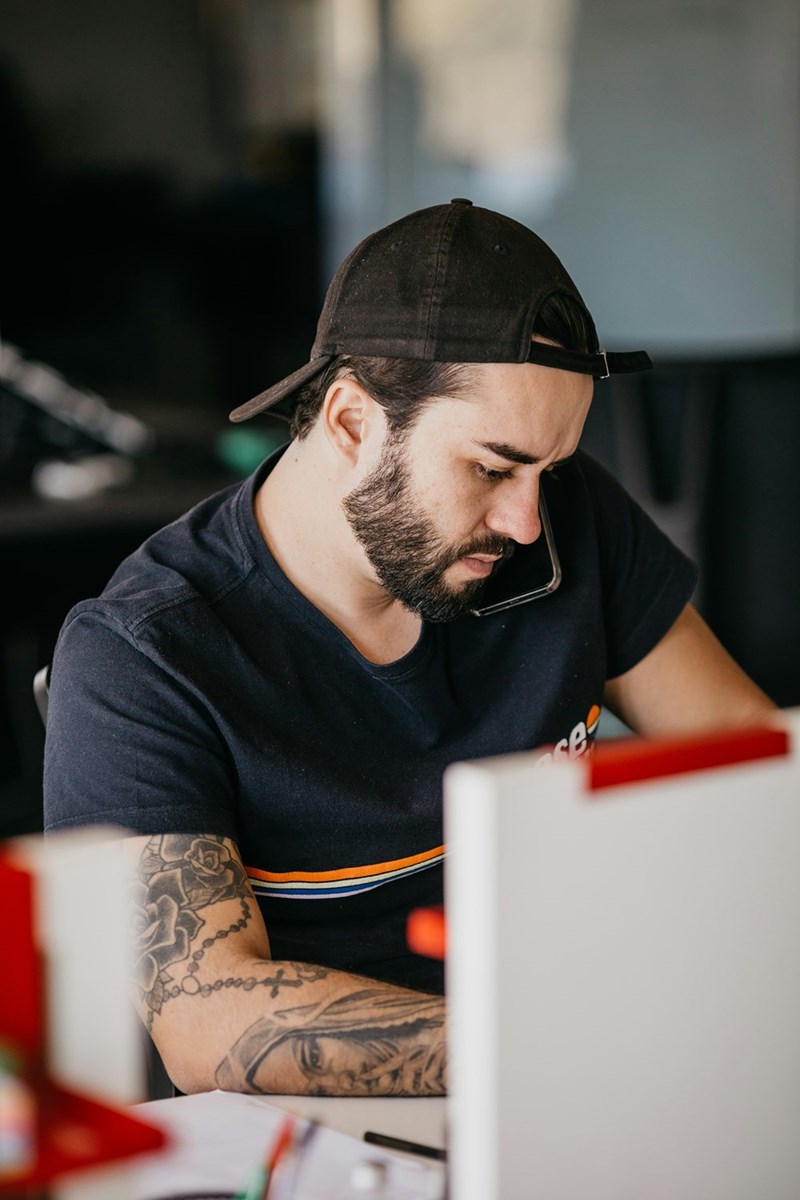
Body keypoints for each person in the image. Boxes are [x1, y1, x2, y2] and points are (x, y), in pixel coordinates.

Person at [43, 199, 775, 1098]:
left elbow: (751, 766)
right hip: (317, 1133)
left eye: (551, 470)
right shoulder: (145, 655)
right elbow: (208, 1017)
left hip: (586, 1073)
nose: (526, 521)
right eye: (492, 468)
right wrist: (552, 1044)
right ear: (352, 422)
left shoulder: (568, 523)